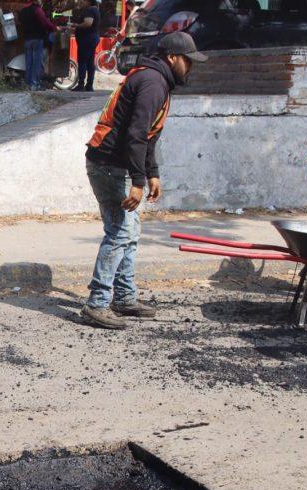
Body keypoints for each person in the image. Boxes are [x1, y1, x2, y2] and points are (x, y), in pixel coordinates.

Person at [81, 32, 207, 329]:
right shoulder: (152, 83)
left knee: (130, 233)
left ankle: (124, 297)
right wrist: (138, 180)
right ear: (172, 58)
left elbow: (147, 136)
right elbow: (135, 135)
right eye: (188, 60)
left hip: (115, 164)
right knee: (120, 233)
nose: (191, 66)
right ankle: (97, 304)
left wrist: (152, 173)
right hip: (111, 166)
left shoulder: (154, 80)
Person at [20, 0, 58, 91]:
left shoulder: (22, 11)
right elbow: (45, 22)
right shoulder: (36, 9)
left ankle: (28, 84)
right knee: (36, 63)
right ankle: (35, 84)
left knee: (28, 63)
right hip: (37, 39)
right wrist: (54, 28)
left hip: (27, 40)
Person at [69, 0, 101, 91]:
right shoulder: (95, 9)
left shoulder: (90, 10)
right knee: (90, 62)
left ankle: (81, 85)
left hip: (87, 40)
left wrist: (76, 25)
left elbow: (88, 23)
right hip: (91, 39)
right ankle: (89, 85)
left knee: (82, 61)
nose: (80, 1)